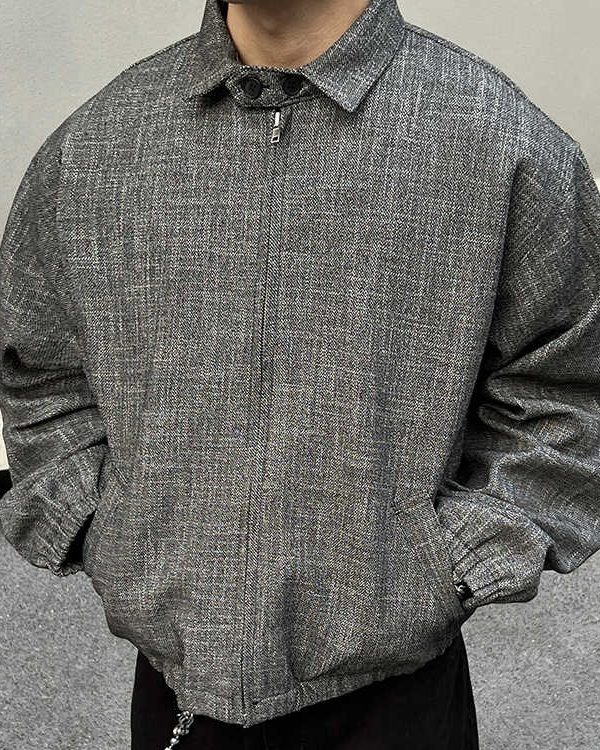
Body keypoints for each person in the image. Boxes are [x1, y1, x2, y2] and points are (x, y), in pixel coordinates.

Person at [1, 0, 599, 747]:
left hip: (397, 698)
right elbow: (38, 371)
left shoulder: (497, 139)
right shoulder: (96, 146)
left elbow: (569, 386)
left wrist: (451, 564)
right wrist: (112, 534)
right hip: (174, 692)